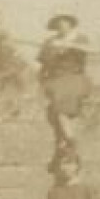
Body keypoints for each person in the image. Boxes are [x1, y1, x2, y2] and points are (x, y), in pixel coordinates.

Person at [38, 13, 93, 153]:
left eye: (65, 23)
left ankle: (69, 140)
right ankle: (66, 140)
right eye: (58, 24)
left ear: (70, 24)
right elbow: (43, 64)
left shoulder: (81, 39)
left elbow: (94, 49)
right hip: (55, 79)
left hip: (75, 77)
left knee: (61, 108)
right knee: (54, 108)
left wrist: (69, 44)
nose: (62, 26)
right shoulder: (50, 42)